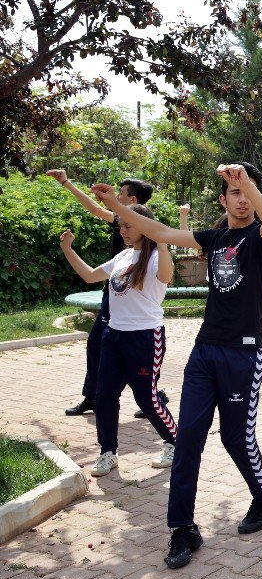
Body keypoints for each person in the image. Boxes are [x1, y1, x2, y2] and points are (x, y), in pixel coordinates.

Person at [93, 162, 262, 570]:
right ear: (223, 200)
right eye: (234, 193)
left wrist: (245, 180)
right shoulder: (214, 238)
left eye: (247, 191)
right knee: (188, 440)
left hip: (244, 354)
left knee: (236, 438)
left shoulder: (260, 236)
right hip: (204, 353)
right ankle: (182, 529)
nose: (242, 199)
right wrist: (115, 206)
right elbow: (158, 232)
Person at [58, 204, 178, 475]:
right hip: (114, 335)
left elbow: (167, 277)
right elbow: (90, 276)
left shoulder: (157, 256)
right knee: (104, 396)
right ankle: (108, 452)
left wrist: (163, 242)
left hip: (146, 337)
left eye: (128, 225)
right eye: (121, 225)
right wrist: (67, 249)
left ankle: (174, 442)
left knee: (146, 398)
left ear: (144, 226)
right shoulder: (124, 256)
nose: (122, 230)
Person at [49, 170, 169, 419]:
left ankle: (152, 398)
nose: (123, 230)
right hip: (115, 294)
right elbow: (91, 274)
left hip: (139, 315)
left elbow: (94, 209)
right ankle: (100, 398)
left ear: (133, 201)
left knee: (135, 367)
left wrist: (66, 183)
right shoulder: (125, 244)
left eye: (121, 194)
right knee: (99, 348)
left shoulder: (146, 238)